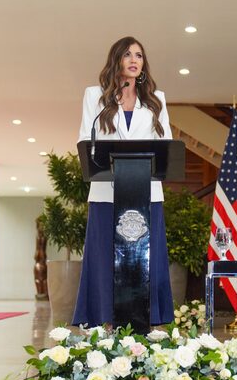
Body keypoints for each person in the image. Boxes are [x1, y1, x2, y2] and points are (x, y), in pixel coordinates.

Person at [72, 36, 173, 327]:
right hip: (106, 192)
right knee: (105, 259)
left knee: (147, 258)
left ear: (143, 65)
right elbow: (84, 138)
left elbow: (164, 143)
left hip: (146, 194)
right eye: (127, 54)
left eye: (139, 56)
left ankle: (149, 318)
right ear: (116, 59)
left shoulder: (156, 100)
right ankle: (103, 317)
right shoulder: (95, 96)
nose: (133, 60)